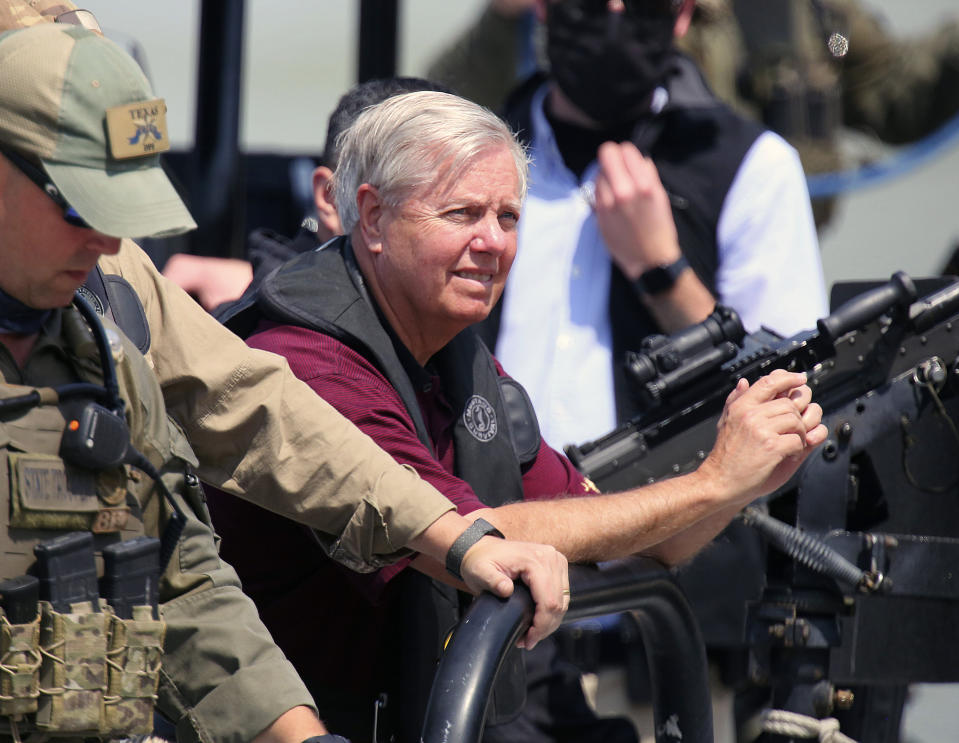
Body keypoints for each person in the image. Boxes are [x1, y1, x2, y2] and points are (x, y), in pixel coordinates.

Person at [210, 90, 827, 743]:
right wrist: (709, 481)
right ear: (370, 215)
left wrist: (742, 480)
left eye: (508, 216)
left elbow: (635, 538)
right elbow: (462, 536)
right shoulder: (315, 365)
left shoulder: (453, 354)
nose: (492, 242)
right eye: (462, 213)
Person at [0, 0, 571, 651]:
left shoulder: (116, 284)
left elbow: (252, 407)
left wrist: (454, 536)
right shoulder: (312, 344)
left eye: (508, 217)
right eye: (76, 205)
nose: (105, 241)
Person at [0, 22, 335, 743]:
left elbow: (181, 579)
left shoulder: (107, 357)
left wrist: (300, 736)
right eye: (79, 206)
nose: (109, 245)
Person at [482, 0, 827, 454]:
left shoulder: (752, 166)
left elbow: (790, 401)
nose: (615, 10)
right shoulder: (478, 155)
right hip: (488, 511)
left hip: (663, 510)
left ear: (682, 13)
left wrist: (663, 274)